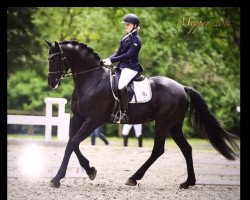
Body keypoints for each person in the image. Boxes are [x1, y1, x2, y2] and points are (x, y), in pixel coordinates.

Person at [102, 13, 143, 123]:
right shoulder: (126, 37)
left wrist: (112, 61)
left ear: (135, 25)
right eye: (125, 24)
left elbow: (128, 55)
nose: (126, 26)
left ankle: (124, 112)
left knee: (121, 85)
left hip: (131, 68)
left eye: (128, 25)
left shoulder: (136, 40)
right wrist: (107, 60)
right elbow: (118, 52)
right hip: (122, 66)